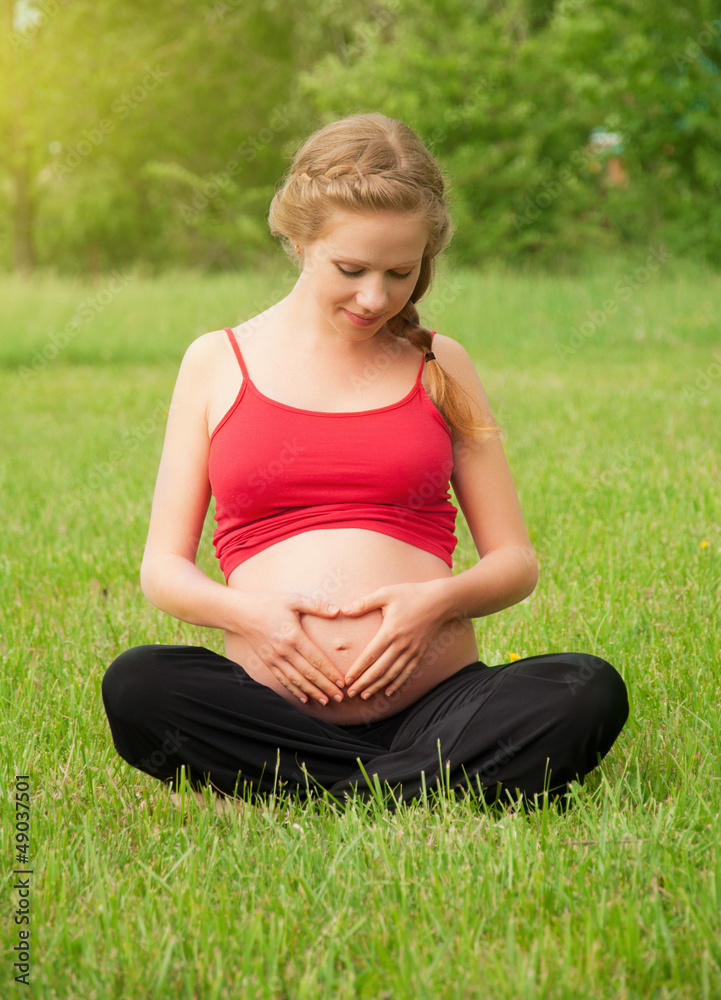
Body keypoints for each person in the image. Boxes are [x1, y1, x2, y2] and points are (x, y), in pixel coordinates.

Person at [102, 113, 628, 808]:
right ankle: (414, 786)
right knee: (140, 683)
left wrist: (434, 604)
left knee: (585, 688)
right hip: (272, 709)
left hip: (438, 705)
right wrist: (252, 618)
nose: (375, 298)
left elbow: (513, 564)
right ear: (297, 239)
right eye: (350, 269)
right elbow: (163, 569)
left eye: (399, 273)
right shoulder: (215, 362)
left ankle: (327, 790)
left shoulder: (440, 362)